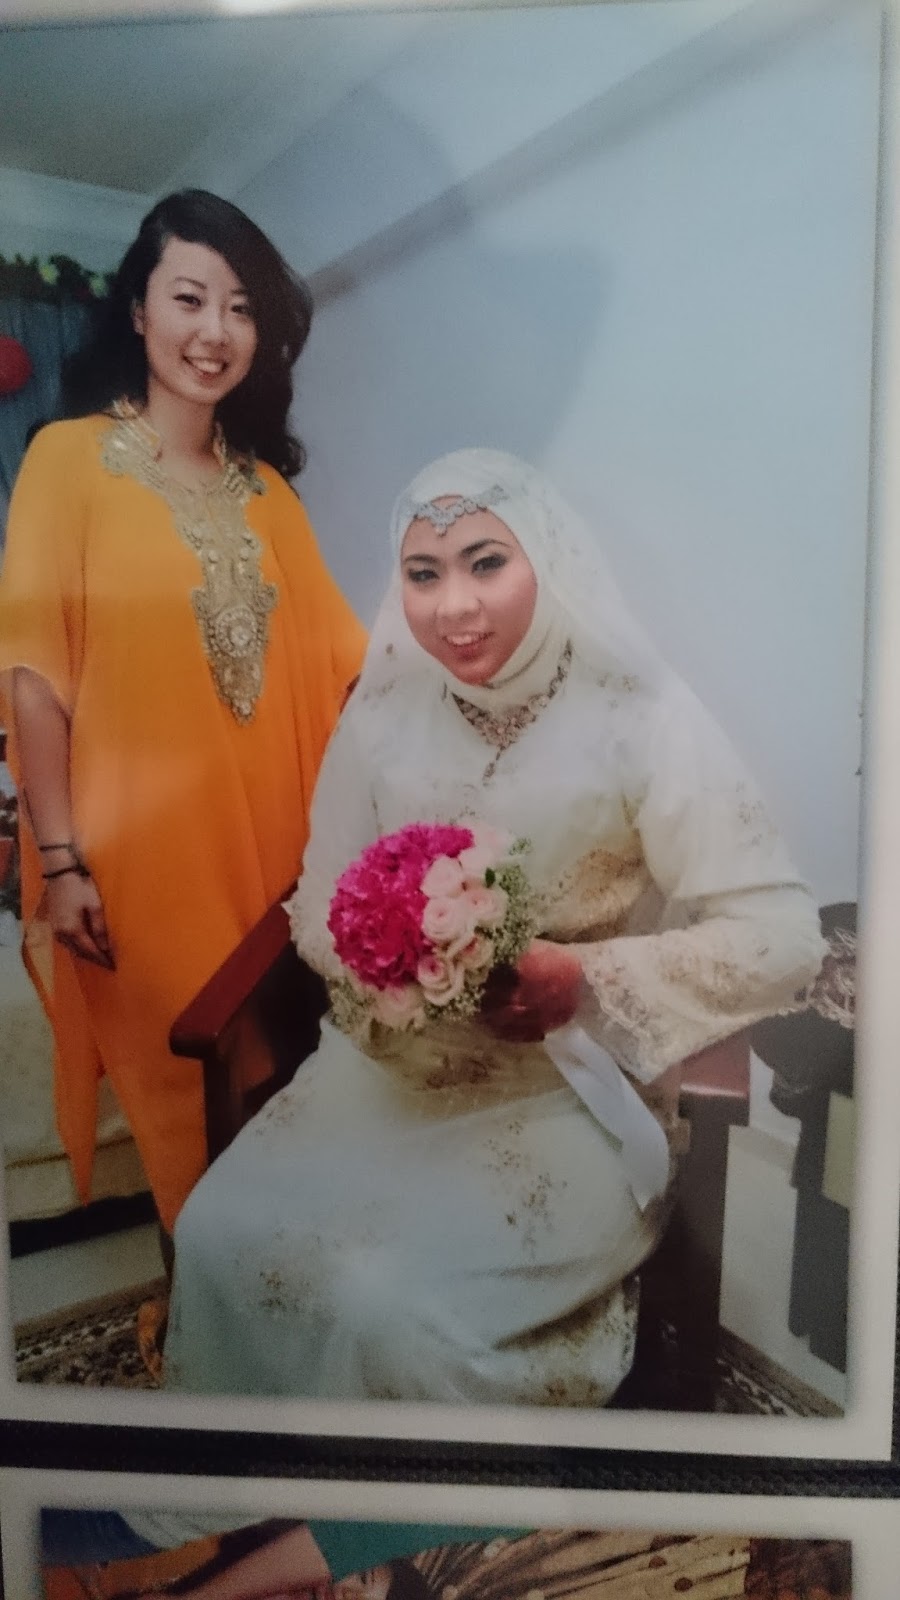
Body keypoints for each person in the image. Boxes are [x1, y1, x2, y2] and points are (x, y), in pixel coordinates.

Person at [164, 449, 824, 1404]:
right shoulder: (384, 711)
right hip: (386, 1073)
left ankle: (423, 1493)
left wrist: (585, 980)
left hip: (568, 1091)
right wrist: (385, 964)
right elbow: (317, 901)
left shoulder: (642, 717)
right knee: (218, 1233)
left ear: (547, 560)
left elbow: (783, 934)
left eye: (486, 563)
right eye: (423, 574)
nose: (455, 607)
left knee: (388, 1307)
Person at [0, 190, 365, 1238]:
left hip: (280, 855)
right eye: (190, 298)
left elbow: (347, 666)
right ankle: (210, 1293)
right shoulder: (65, 461)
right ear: (138, 312)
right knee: (188, 1094)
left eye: (241, 308)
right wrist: (61, 859)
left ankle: (264, 1295)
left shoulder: (269, 494)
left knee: (284, 1088)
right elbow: (34, 675)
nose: (215, 331)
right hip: (141, 863)